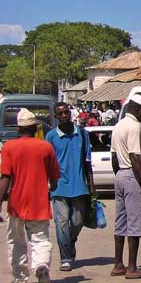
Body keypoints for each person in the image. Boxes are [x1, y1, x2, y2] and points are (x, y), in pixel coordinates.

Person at [0, 109, 61, 283]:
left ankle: (20, 277)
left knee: (16, 242)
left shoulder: (9, 147)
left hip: (16, 204)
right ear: (35, 128)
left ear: (18, 129)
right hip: (39, 203)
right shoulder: (45, 147)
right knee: (40, 240)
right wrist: (52, 187)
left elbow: (5, 178)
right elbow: (54, 178)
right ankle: (41, 266)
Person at [110, 94, 141, 279]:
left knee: (120, 222)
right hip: (132, 175)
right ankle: (132, 268)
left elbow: (114, 156)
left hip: (120, 175)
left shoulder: (118, 125)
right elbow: (134, 157)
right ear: (137, 109)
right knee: (135, 223)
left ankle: (118, 264)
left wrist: (120, 176)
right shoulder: (134, 127)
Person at [45, 102, 95, 272]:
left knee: (78, 221)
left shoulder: (81, 133)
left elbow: (87, 162)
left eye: (66, 112)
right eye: (61, 113)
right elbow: (46, 164)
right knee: (62, 223)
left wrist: (92, 186)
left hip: (79, 187)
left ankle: (69, 242)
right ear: (56, 117)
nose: (64, 115)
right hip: (58, 187)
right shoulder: (51, 137)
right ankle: (65, 257)